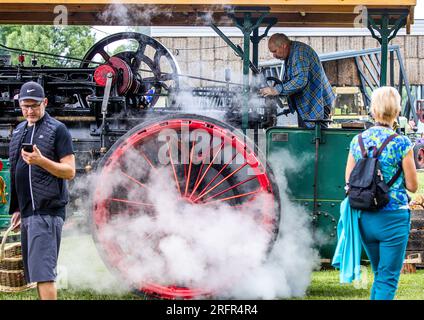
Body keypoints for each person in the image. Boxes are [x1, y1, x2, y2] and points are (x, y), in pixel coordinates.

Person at [345, 86, 418, 300]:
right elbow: (413, 186)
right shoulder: (402, 143)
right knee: (388, 279)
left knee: (380, 276)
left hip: (365, 217)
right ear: (396, 111)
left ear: (373, 110)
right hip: (393, 217)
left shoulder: (357, 141)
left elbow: (348, 180)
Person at [9, 81, 75, 300]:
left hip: (46, 212)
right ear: (20, 105)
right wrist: (17, 208)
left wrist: (41, 160)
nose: (30, 111)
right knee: (37, 273)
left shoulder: (58, 129)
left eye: (35, 105)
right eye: (25, 106)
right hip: (28, 213)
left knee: (44, 275)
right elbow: (17, 170)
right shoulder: (18, 130)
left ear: (44, 102)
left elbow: (69, 171)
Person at [260, 33, 335, 128]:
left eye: (275, 51)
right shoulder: (292, 53)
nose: (274, 55)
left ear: (283, 46)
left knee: (313, 138)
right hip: (309, 102)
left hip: (317, 102)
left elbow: (300, 80)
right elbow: (291, 80)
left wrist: (275, 90)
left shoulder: (299, 53)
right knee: (306, 137)